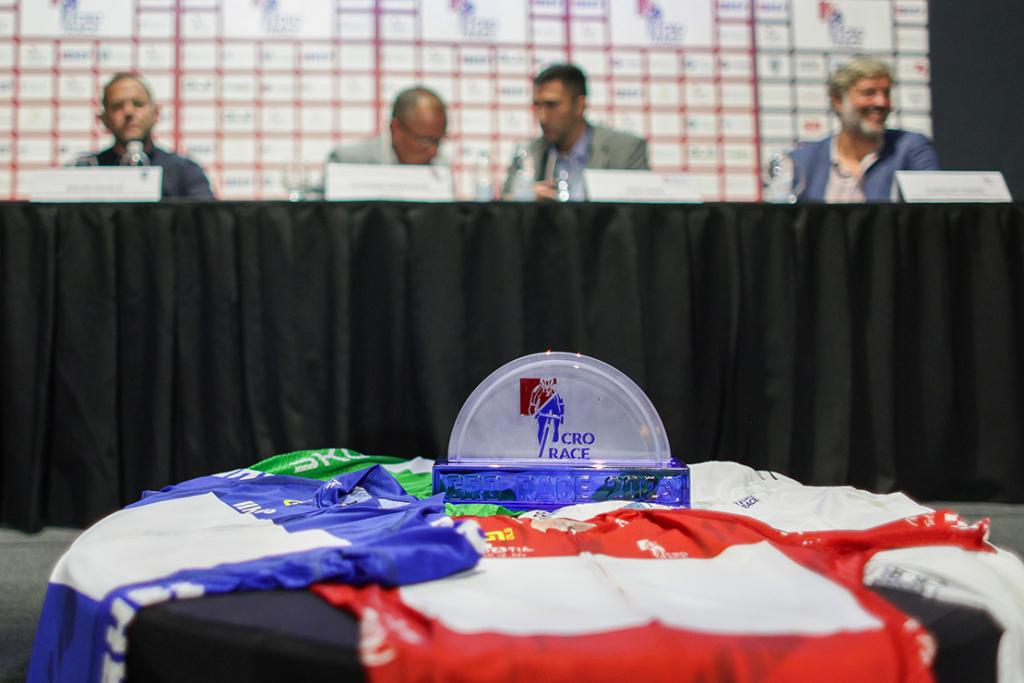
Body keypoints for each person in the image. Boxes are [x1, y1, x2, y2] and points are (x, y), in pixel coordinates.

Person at [788, 57, 938, 202]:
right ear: (838, 101)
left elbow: (931, 212)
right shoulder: (804, 160)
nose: (881, 102)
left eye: (886, 93)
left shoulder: (909, 149)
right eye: (869, 93)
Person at [502, 64, 648, 201]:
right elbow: (504, 206)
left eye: (552, 105)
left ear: (579, 105)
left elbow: (642, 211)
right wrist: (525, 199)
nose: (542, 116)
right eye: (538, 106)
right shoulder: (527, 153)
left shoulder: (626, 150)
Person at [84, 72, 214, 199]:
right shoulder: (87, 171)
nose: (129, 112)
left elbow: (206, 213)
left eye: (138, 104)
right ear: (103, 119)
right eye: (117, 106)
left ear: (156, 113)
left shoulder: (185, 172)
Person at [326, 86, 448, 166]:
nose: (434, 151)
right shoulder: (347, 160)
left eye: (439, 140)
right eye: (426, 141)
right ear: (395, 128)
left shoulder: (441, 166)